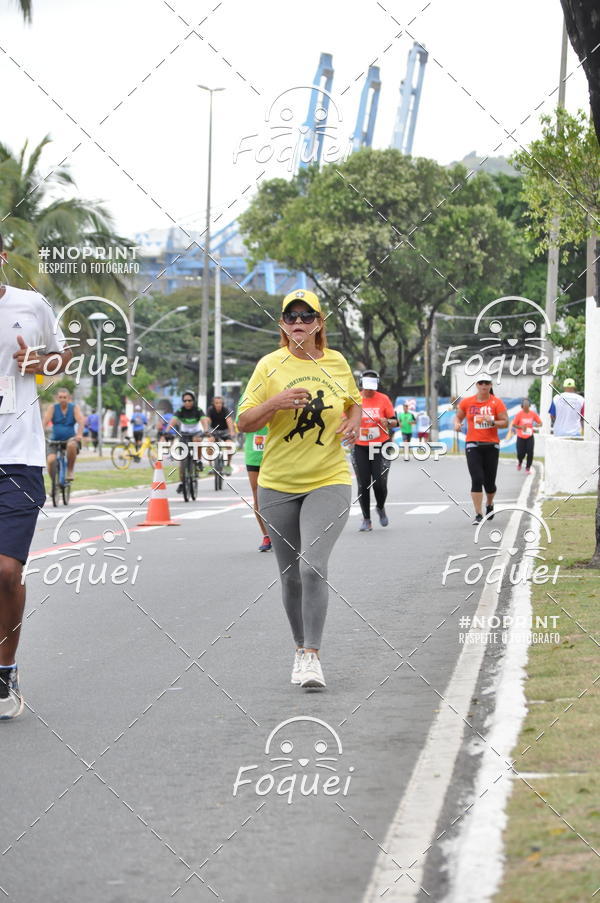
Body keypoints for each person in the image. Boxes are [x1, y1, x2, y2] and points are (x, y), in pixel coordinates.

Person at [238, 288, 362, 690]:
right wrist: (275, 403)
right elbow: (244, 422)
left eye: (307, 316)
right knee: (290, 574)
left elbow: (354, 401)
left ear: (319, 323)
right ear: (282, 324)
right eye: (290, 317)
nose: (298, 323)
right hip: (276, 485)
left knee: (312, 566)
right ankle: (298, 649)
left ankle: (312, 655)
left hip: (329, 479)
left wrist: (356, 419)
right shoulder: (269, 366)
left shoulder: (337, 363)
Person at [0, 233, 71, 719]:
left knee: (6, 572)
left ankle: (5, 671)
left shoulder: (31, 305)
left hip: (19, 458)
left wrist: (40, 362)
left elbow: (61, 357)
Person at [454, 373, 508, 525]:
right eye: (481, 383)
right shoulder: (467, 402)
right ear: (476, 385)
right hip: (473, 444)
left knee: (489, 483)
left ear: (490, 385)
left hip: (491, 445)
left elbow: (505, 422)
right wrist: (457, 424)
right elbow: (458, 416)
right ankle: (478, 514)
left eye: (487, 383)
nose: (484, 385)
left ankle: (489, 503)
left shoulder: (497, 403)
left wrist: (492, 421)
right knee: (477, 479)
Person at [352, 369, 397, 532]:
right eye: (366, 384)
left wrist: (386, 422)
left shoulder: (383, 399)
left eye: (373, 384)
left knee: (379, 482)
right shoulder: (355, 399)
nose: (369, 388)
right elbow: (345, 418)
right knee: (364, 483)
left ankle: (380, 507)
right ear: (361, 383)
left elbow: (395, 422)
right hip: (360, 446)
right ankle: (366, 519)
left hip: (380, 445)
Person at [43, 387, 85, 482]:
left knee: (71, 445)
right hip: (54, 439)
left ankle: (70, 471)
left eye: (64, 397)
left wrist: (79, 434)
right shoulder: (52, 408)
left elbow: (81, 422)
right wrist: (41, 434)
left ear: (69, 398)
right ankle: (54, 483)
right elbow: (45, 422)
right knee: (50, 460)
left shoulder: (74, 408)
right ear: (57, 398)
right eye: (60, 397)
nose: (62, 399)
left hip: (70, 439)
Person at [168, 391, 205, 493]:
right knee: (182, 462)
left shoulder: (198, 410)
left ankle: (198, 460)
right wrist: (166, 432)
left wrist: (206, 430)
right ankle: (182, 482)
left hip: (196, 433)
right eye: (185, 401)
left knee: (197, 440)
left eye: (189, 400)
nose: (187, 402)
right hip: (184, 434)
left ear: (193, 401)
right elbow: (173, 421)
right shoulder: (180, 410)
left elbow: (204, 421)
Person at [242, 422, 271, 552]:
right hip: (254, 456)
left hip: (277, 456)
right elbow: (241, 424)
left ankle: (283, 533)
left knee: (281, 495)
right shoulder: (247, 401)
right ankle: (267, 536)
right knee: (258, 496)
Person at [203, 396, 236, 475]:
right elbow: (208, 420)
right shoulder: (210, 410)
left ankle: (228, 465)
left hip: (225, 431)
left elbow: (229, 420)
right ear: (213, 404)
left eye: (220, 403)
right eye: (217, 403)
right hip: (214, 431)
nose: (219, 405)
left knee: (230, 445)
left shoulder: (225, 410)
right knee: (210, 443)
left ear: (223, 404)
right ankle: (211, 466)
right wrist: (206, 430)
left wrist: (231, 432)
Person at [508, 398, 542, 474]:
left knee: (530, 452)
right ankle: (520, 462)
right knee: (520, 453)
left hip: (530, 436)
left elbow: (540, 423)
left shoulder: (533, 414)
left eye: (527, 405)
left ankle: (528, 467)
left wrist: (537, 424)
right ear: (522, 406)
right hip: (521, 437)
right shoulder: (519, 414)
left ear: (529, 406)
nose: (525, 407)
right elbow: (514, 424)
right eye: (524, 406)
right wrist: (521, 427)